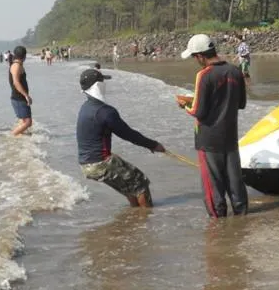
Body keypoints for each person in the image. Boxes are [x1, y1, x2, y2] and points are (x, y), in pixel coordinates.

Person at [179, 34, 248, 218]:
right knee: (235, 182)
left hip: (209, 139)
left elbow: (198, 111)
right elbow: (240, 103)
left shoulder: (204, 75)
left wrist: (185, 104)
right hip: (230, 137)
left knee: (213, 186)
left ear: (200, 56)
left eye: (194, 57)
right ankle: (241, 218)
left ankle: (219, 229)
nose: (195, 61)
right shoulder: (235, 71)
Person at [76, 68, 165, 208]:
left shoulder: (86, 107)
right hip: (100, 163)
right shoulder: (105, 112)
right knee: (140, 182)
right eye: (102, 81)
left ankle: (134, 218)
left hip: (86, 163)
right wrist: (153, 145)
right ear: (98, 85)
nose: (105, 84)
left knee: (129, 184)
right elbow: (128, 134)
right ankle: (146, 220)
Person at [9, 45, 33, 136]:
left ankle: (21, 137)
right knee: (28, 122)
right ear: (24, 56)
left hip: (19, 98)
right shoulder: (16, 66)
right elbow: (16, 82)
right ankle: (12, 136)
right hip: (18, 98)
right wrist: (26, 95)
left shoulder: (17, 65)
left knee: (24, 121)